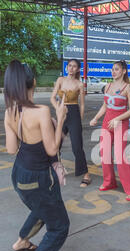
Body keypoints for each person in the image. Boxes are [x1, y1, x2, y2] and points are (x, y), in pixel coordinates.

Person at [4, 60, 69, 251]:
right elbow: (52, 149)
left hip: (19, 174)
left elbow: (11, 149)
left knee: (41, 207)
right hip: (39, 177)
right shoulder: (41, 111)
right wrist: (60, 118)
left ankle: (22, 241)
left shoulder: (10, 111)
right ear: (31, 84)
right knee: (60, 227)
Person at [89, 61, 130, 201]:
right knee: (104, 153)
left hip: (120, 123)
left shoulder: (128, 88)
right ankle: (109, 182)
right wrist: (96, 118)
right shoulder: (107, 86)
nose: (113, 71)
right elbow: (105, 106)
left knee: (120, 156)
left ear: (124, 71)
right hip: (107, 123)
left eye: (116, 69)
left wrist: (117, 119)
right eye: (112, 69)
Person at [51, 59, 91, 188]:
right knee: (56, 144)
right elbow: (52, 98)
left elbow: (83, 105)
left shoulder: (80, 84)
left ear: (78, 69)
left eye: (74, 66)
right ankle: (54, 170)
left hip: (73, 114)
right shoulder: (60, 80)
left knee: (77, 146)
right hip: (61, 112)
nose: (71, 68)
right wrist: (58, 109)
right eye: (69, 66)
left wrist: (79, 119)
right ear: (66, 67)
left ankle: (86, 174)